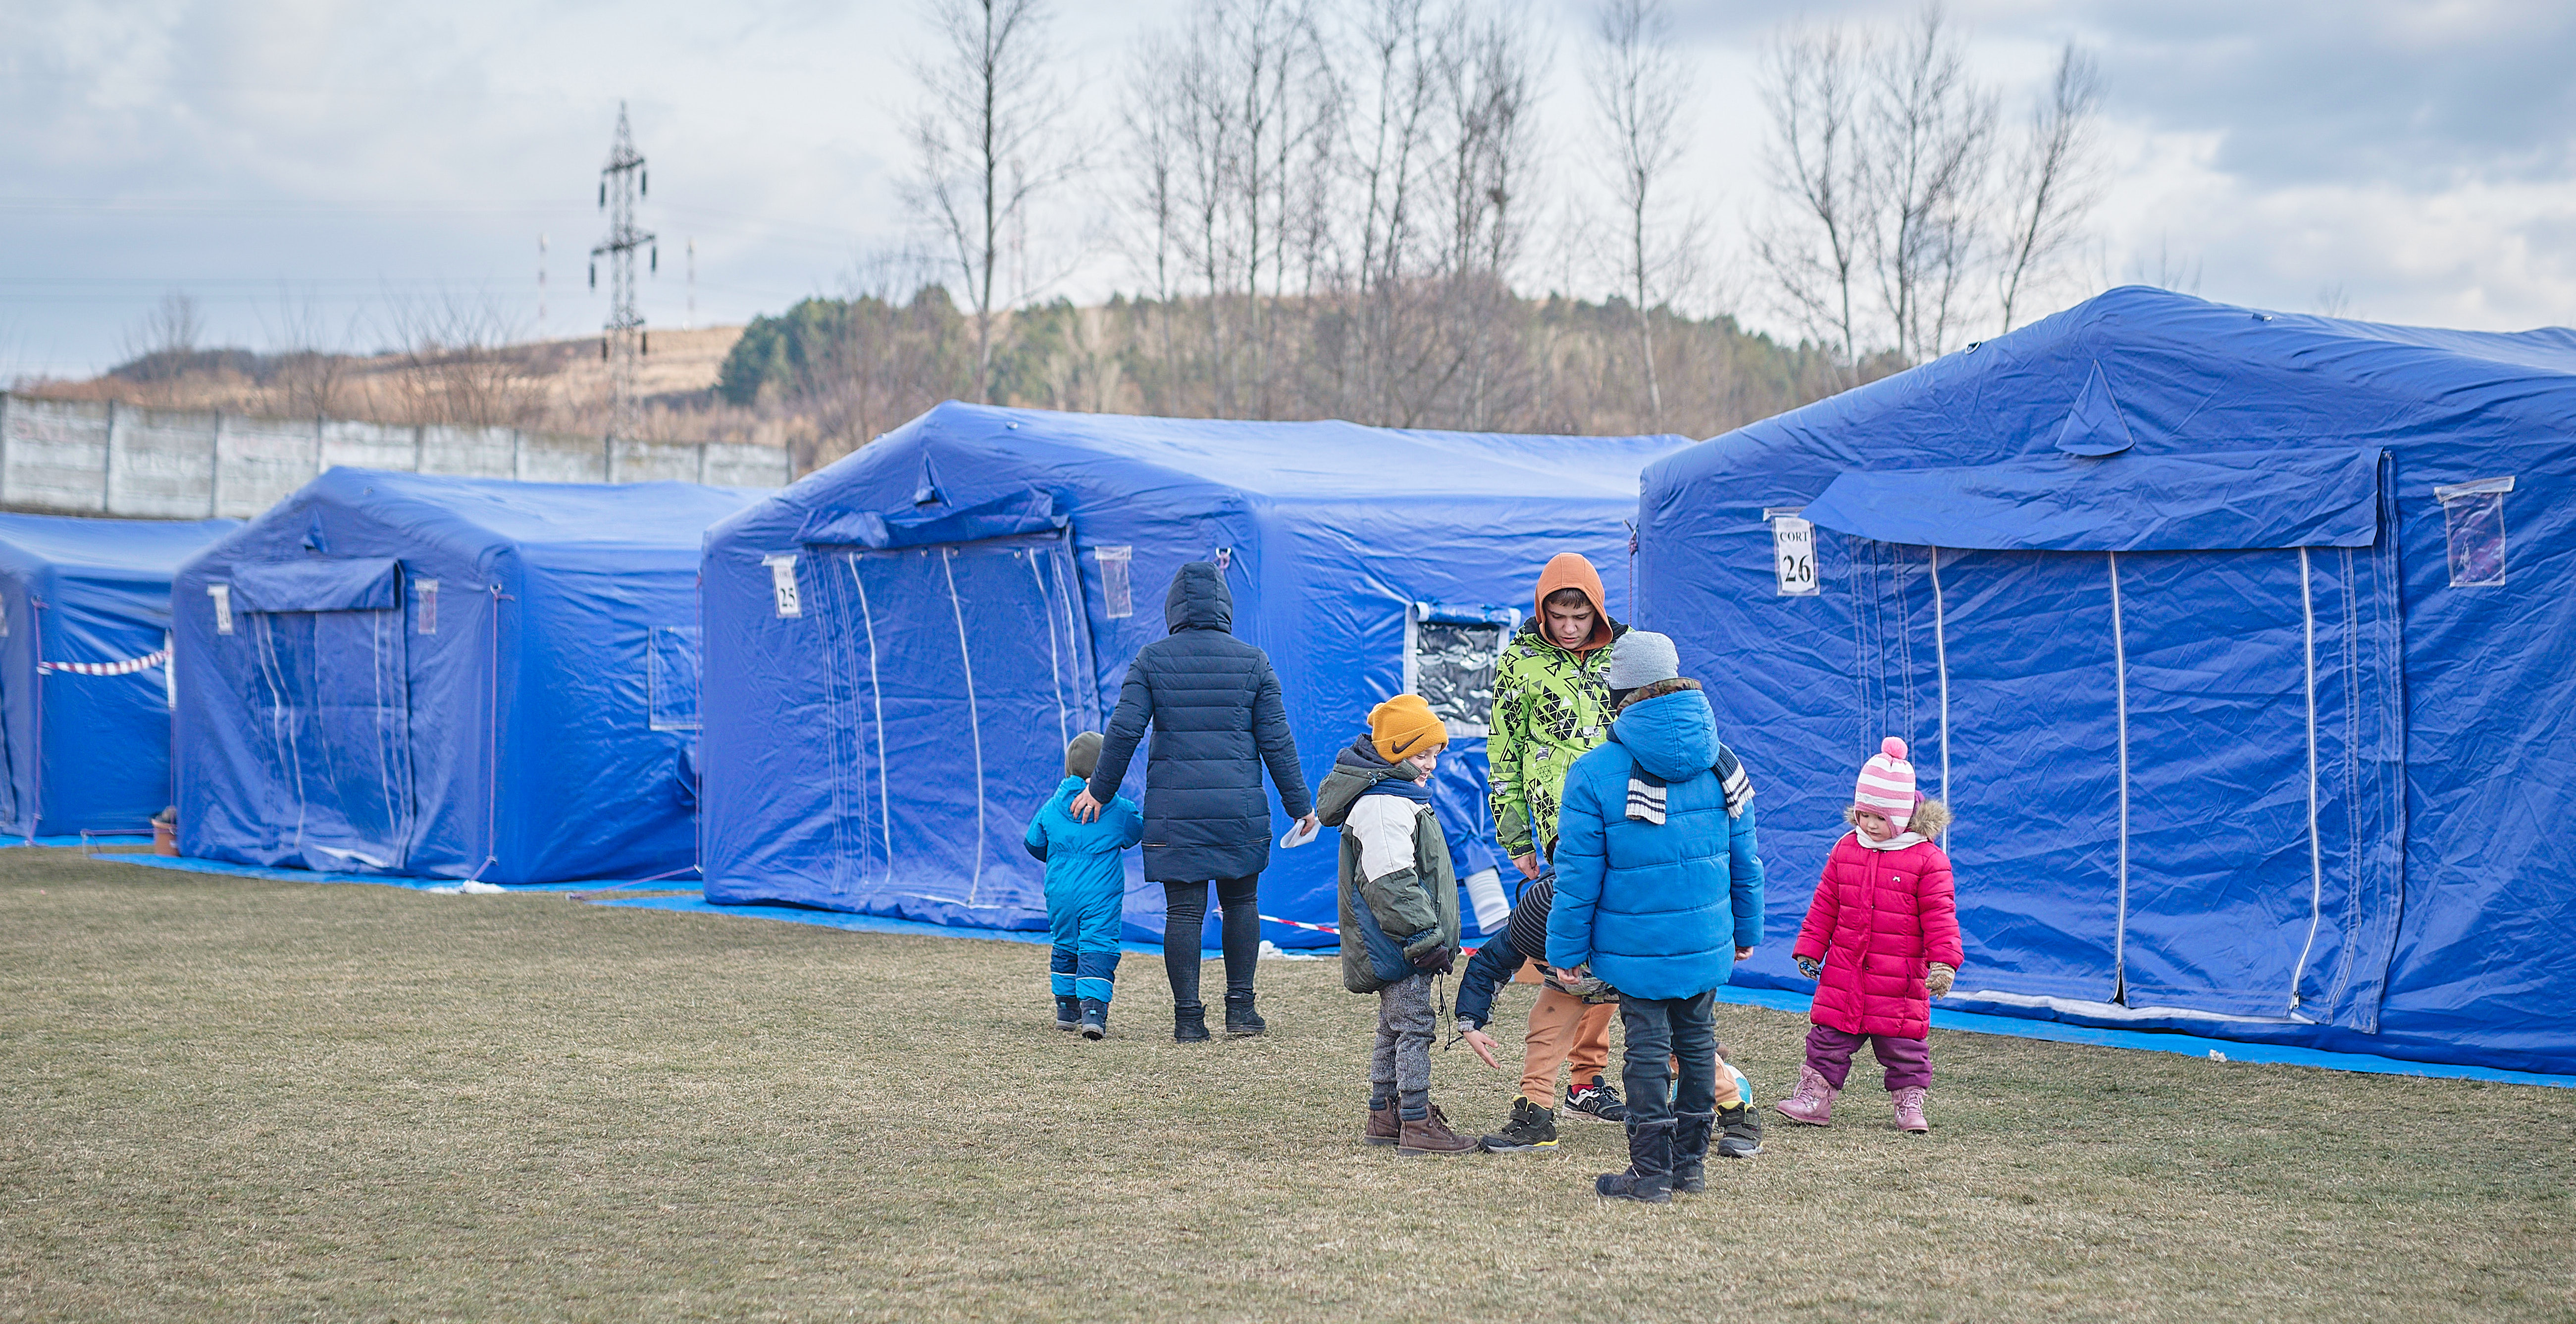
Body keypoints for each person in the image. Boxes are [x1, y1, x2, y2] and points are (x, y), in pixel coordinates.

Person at [1546, 632, 1766, 1203]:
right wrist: (1747, 929)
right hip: (1706, 937)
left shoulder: (1595, 772)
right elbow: (1746, 858)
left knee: (1646, 1048)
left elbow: (1578, 876)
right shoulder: (1723, 761)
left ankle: (1650, 1173)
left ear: (1618, 692)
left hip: (1636, 943)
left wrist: (1565, 949)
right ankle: (1689, 1166)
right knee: (1697, 1043)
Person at [1075, 561, 1318, 1043]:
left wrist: (1098, 790)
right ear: (1224, 607)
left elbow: (1124, 731)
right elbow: (1277, 741)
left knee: (1183, 914)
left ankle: (1189, 1019)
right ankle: (1242, 1011)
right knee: (1242, 902)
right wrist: (1300, 805)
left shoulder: (1151, 659)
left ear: (1174, 609)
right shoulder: (1254, 662)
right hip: (1238, 811)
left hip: (1177, 813)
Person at [1478, 553, 1632, 1137]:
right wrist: (1516, 833)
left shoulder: (1624, 653)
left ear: (1597, 609)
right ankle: (1563, 1081)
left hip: (1625, 816)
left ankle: (1587, 1077)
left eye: (1580, 614)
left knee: (1615, 940)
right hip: (1561, 821)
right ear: (1543, 610)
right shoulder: (1521, 660)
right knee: (1574, 940)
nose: (1569, 626)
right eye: (1559, 615)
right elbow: (1504, 753)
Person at [1776, 738, 1961, 1134]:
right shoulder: (1847, 848)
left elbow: (1941, 917)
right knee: (1827, 1039)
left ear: (1901, 815)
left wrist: (1944, 963)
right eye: (1863, 814)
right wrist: (1810, 948)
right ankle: (1813, 1098)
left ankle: (1910, 1105)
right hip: (1845, 973)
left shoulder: (1928, 860)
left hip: (1899, 978)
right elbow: (1825, 903)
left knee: (1905, 1045)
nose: (1870, 825)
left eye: (1879, 818)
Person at [1317, 694, 1477, 1155]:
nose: (1431, 764)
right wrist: (1425, 939)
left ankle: (1383, 1113)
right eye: (1421, 753)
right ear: (1394, 751)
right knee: (1414, 1028)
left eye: (1435, 754)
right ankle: (1416, 1120)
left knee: (1393, 1026)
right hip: (1400, 943)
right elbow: (1392, 883)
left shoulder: (1399, 796)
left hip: (1400, 942)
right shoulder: (1385, 804)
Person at [1024, 732, 1144, 1040]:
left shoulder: (1052, 806)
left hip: (1059, 891)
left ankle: (1066, 1009)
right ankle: (1093, 1012)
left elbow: (1034, 844)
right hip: (1100, 893)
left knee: (1065, 943)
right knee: (1098, 945)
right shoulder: (1118, 809)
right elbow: (1135, 833)